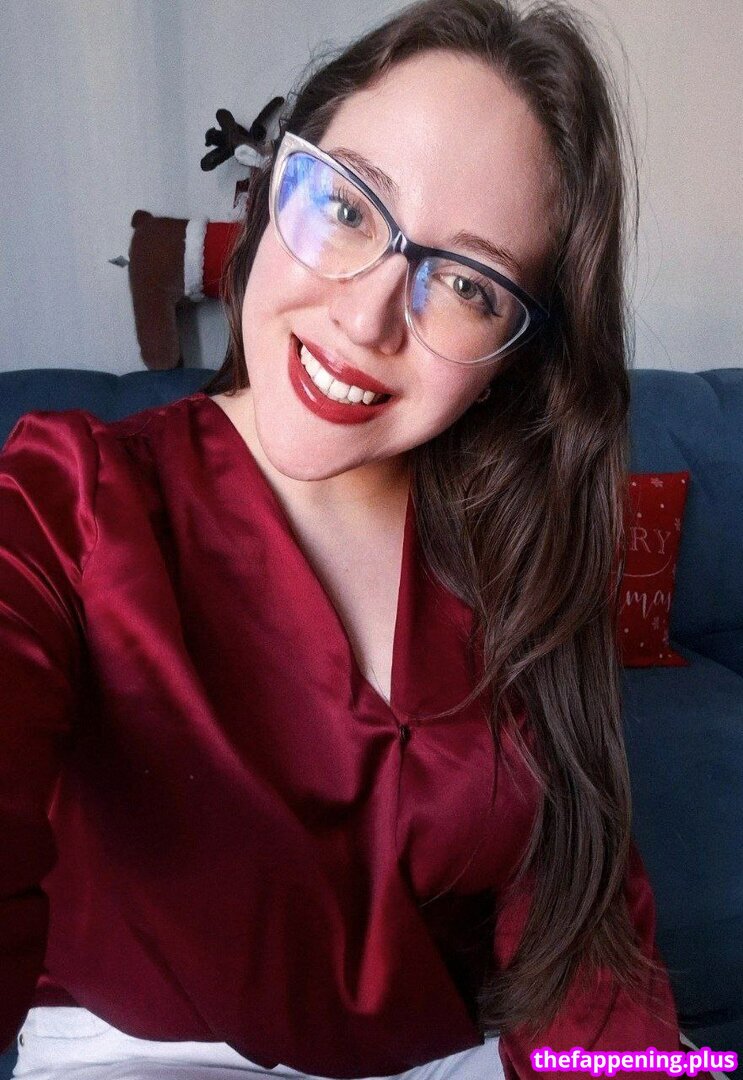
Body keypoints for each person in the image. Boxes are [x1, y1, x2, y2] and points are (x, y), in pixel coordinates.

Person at [0, 1, 700, 1078]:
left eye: (464, 284)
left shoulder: (517, 554)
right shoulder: (69, 500)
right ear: (274, 193)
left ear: (513, 356)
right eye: (345, 204)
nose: (365, 321)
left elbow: (586, 961)